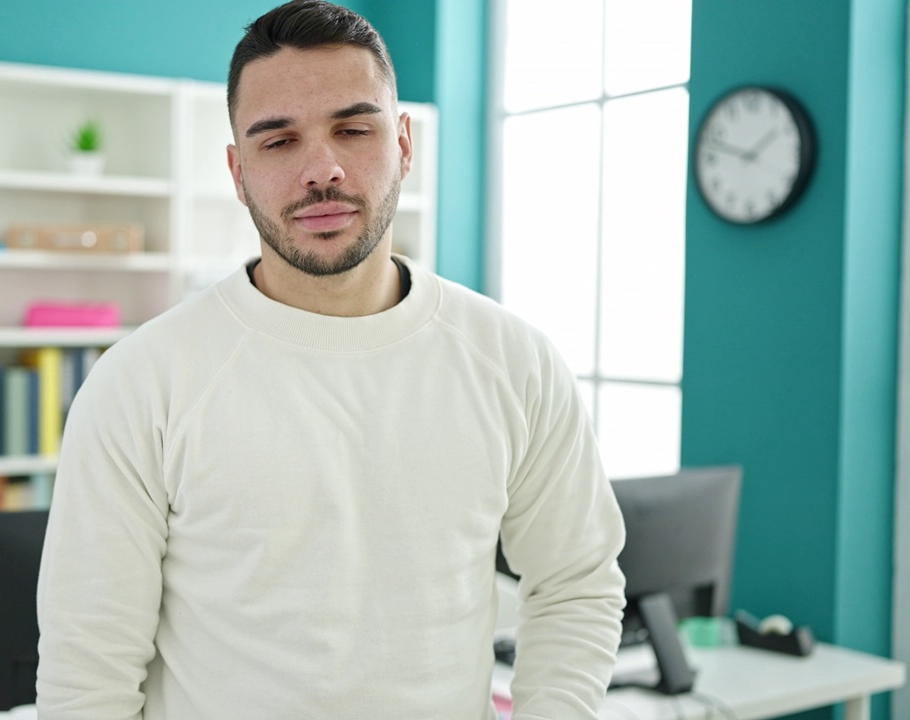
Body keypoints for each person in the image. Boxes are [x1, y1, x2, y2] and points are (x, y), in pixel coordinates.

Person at [35, 1, 626, 718]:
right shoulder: (142, 383)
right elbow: (87, 672)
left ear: (404, 143)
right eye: (278, 142)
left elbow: (576, 584)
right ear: (238, 170)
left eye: (354, 129)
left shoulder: (514, 362)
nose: (323, 170)